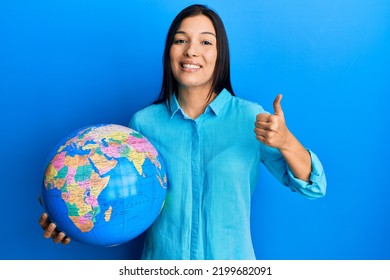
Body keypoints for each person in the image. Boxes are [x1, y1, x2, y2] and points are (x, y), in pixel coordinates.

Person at [39, 4, 326, 259]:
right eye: (180, 41)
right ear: (169, 52)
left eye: (205, 42)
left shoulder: (249, 117)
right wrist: (67, 218)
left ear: (220, 54)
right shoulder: (143, 124)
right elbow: (124, 200)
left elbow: (314, 188)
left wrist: (287, 142)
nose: (191, 51)